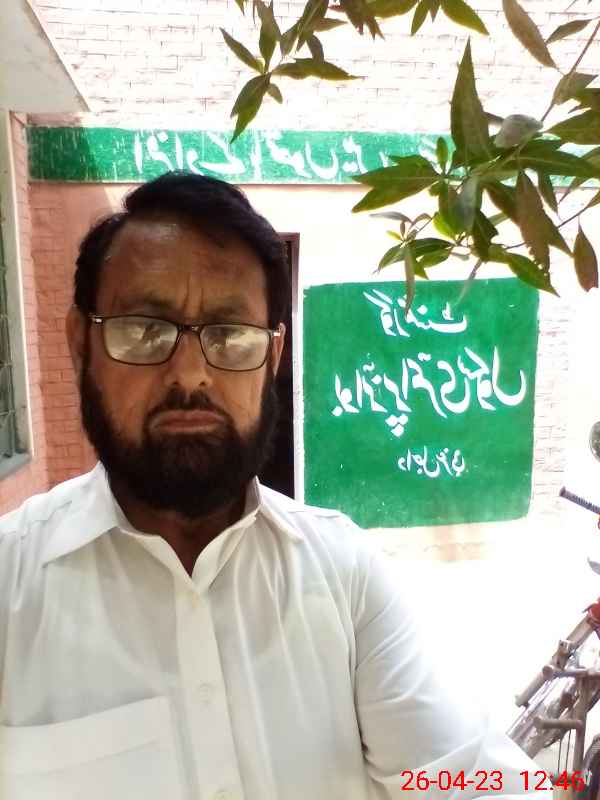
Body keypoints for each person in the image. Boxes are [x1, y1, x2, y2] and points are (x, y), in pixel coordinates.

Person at [0, 172, 547, 800]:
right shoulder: (10, 584)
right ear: (81, 344)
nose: (190, 375)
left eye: (231, 335)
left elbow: (463, 777)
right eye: (145, 329)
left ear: (273, 357)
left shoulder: (344, 575)